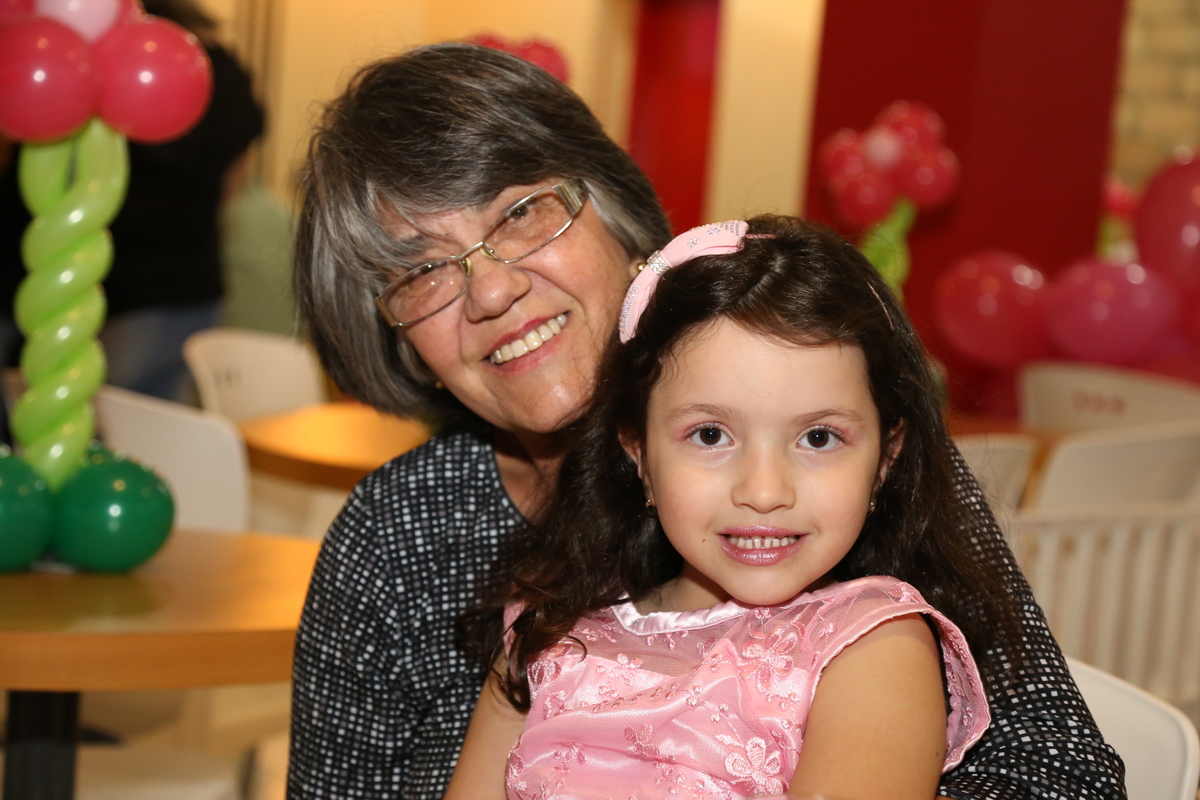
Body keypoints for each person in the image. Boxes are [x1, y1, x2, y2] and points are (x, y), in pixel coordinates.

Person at [288, 43, 1125, 800]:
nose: (493, 289)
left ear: (618, 215)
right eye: (423, 273)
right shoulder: (400, 537)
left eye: (520, 212)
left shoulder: (835, 465)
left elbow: (1062, 777)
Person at [446, 216, 1004, 800]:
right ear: (638, 454)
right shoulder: (548, 628)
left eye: (818, 438)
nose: (763, 491)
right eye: (710, 435)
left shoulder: (872, 648)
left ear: (885, 460)